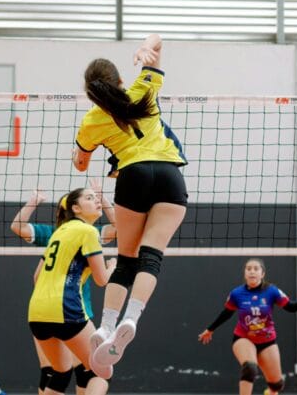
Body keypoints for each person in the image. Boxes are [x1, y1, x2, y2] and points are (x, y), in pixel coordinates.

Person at [73, 33, 188, 376]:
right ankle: (132, 319)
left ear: (91, 91)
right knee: (151, 256)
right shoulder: (143, 88)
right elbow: (158, 42)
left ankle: (106, 328)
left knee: (126, 259)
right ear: (120, 80)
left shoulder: (92, 119)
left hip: (132, 176)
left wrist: (78, 154)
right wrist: (146, 48)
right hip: (169, 175)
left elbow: (80, 164)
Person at [10, 182, 117, 395]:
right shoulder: (88, 232)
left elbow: (37, 276)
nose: (95, 200)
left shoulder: (58, 234)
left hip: (37, 312)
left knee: (60, 372)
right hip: (67, 309)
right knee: (101, 371)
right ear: (74, 208)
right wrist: (112, 266)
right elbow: (102, 280)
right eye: (89, 198)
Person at [197, 258, 297, 395]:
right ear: (244, 273)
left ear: (262, 274)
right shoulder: (237, 294)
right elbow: (226, 313)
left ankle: (271, 392)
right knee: (250, 368)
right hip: (244, 338)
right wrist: (210, 329)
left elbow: (290, 307)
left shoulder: (271, 291)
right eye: (248, 269)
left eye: (256, 269)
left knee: (277, 384)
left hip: (267, 341)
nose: (252, 272)